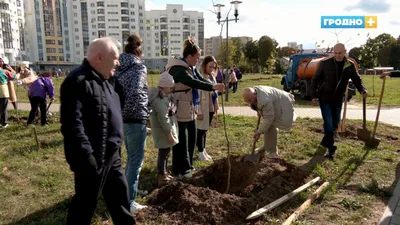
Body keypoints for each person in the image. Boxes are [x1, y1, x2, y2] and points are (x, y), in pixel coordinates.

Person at [60, 37, 135, 225]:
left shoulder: (109, 82)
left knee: (121, 202)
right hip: (92, 159)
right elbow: (72, 126)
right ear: (100, 57)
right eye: (115, 58)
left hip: (113, 156)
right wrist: (87, 158)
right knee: (84, 207)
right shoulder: (77, 82)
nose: (118, 63)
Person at [166, 38, 224, 177]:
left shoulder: (190, 67)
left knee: (192, 136)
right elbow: (192, 82)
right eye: (197, 58)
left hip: (191, 106)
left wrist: (213, 85)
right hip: (179, 106)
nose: (198, 61)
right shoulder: (177, 68)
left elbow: (200, 79)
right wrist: (212, 86)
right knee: (182, 139)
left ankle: (188, 165)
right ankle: (181, 169)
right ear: (189, 56)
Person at [310, 43, 367, 160]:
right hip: (325, 97)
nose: (337, 55)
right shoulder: (325, 64)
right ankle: (331, 148)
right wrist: (314, 95)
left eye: (340, 53)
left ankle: (326, 141)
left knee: (335, 122)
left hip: (338, 98)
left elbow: (357, 79)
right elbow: (315, 79)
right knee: (329, 122)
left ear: (345, 52)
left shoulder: (349, 65)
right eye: (335, 53)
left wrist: (362, 90)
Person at [113, 34, 150, 213]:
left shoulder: (117, 67)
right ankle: (129, 202)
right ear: (138, 51)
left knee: (127, 159)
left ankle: (128, 192)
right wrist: (144, 109)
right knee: (135, 160)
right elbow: (136, 92)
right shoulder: (139, 67)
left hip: (120, 119)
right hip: (135, 118)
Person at [242, 86, 296, 158]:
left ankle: (273, 152)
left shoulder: (264, 100)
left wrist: (259, 132)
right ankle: (266, 145)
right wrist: (259, 111)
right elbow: (259, 106)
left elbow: (269, 119)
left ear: (255, 93)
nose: (250, 102)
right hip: (274, 102)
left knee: (271, 126)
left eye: (250, 100)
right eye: (247, 101)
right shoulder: (254, 94)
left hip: (283, 104)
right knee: (267, 126)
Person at [148, 72, 178, 186]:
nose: (171, 90)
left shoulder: (162, 96)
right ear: (164, 86)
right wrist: (169, 133)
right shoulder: (160, 100)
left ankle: (164, 172)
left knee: (166, 151)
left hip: (162, 131)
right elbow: (163, 119)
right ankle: (161, 175)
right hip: (163, 132)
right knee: (164, 152)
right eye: (170, 88)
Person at [196, 55, 219, 161]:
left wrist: (216, 105)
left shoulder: (212, 76)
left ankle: (203, 149)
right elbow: (197, 96)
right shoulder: (199, 77)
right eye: (210, 67)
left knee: (205, 129)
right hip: (202, 107)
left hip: (210, 106)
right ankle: (200, 152)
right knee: (200, 130)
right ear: (204, 65)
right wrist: (199, 112)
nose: (212, 69)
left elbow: (215, 92)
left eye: (213, 67)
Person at [0, 61, 17, 128]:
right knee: (3, 108)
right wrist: (12, 69)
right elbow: (13, 77)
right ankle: (4, 123)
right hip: (3, 90)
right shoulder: (4, 71)